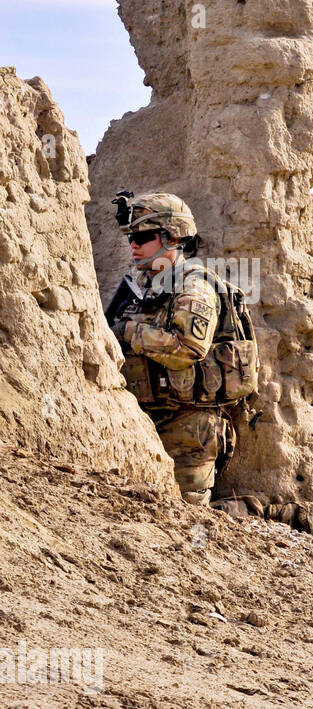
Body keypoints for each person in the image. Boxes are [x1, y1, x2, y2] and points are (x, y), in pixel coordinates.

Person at [105, 192, 235, 507]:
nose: (134, 245)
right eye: (131, 237)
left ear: (173, 237)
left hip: (187, 430)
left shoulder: (194, 287)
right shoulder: (146, 288)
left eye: (144, 236)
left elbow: (187, 349)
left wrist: (127, 332)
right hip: (144, 421)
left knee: (185, 516)